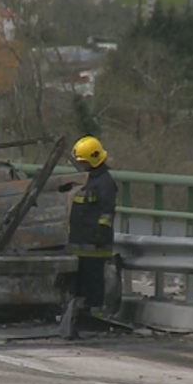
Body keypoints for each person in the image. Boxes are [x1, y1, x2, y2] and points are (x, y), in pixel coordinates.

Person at [61, 135, 118, 338]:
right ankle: (80, 316)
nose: (81, 165)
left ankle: (95, 318)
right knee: (80, 284)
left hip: (95, 246)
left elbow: (106, 211)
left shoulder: (105, 183)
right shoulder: (86, 180)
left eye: (84, 161)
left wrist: (101, 232)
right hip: (81, 244)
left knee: (93, 283)